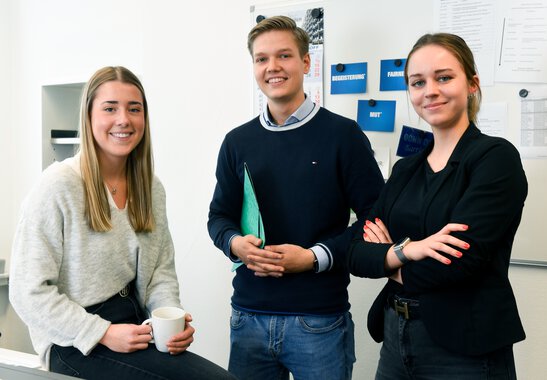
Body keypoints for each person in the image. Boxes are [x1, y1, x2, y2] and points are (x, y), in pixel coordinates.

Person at [9, 66, 235, 380]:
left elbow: (160, 273)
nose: (123, 120)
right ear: (88, 117)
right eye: (110, 108)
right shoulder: (58, 185)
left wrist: (170, 319)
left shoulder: (150, 189)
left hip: (136, 327)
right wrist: (102, 332)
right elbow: (26, 292)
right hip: (75, 342)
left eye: (134, 109)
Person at [207, 15, 384, 380]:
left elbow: (376, 218)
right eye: (261, 59)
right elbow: (218, 217)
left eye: (284, 56)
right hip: (248, 318)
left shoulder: (343, 135)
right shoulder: (237, 141)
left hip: (317, 320)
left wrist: (314, 258)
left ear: (306, 62)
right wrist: (236, 244)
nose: (272, 67)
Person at [348, 33, 527, 379]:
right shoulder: (406, 169)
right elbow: (354, 250)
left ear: (472, 84)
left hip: (465, 347)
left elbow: (462, 261)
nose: (430, 90)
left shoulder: (495, 158)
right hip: (395, 337)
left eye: (444, 77)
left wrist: (388, 257)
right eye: (418, 82)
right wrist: (410, 250)